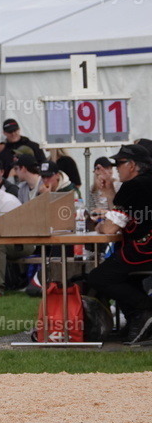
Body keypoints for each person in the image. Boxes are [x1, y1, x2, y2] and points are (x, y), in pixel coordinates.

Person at [86, 144, 152, 343]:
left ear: (132, 165)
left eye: (119, 163)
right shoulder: (144, 184)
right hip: (146, 249)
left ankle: (144, 311)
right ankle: (137, 320)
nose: (115, 168)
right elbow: (127, 212)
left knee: (98, 278)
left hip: (143, 251)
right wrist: (110, 193)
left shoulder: (134, 186)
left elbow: (109, 229)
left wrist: (99, 225)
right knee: (125, 277)